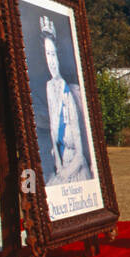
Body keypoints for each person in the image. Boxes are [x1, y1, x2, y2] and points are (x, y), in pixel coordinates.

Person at [39, 16, 92, 186]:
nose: (51, 61)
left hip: (76, 167)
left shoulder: (69, 92)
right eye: (47, 54)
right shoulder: (49, 87)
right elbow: (54, 137)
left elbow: (79, 151)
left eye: (53, 54)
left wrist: (65, 173)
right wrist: (59, 167)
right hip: (61, 165)